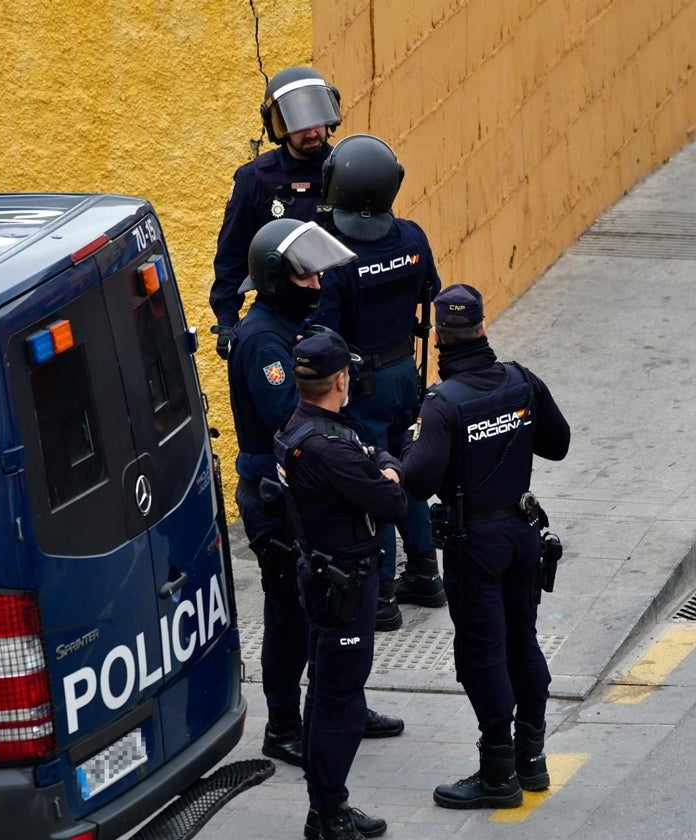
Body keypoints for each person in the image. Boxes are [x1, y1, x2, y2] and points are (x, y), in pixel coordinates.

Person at [227, 217, 404, 769]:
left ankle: (343, 702)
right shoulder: (262, 342)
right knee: (290, 615)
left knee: (332, 611)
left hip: (308, 493)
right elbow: (295, 423)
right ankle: (282, 725)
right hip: (277, 499)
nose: (317, 286)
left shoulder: (292, 329)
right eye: (304, 278)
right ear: (278, 279)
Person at [401, 283, 571, 809]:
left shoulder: (443, 404)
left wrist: (410, 443)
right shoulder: (522, 382)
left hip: (474, 546)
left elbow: (417, 481)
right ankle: (533, 760)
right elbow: (558, 444)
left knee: (483, 652)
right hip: (523, 536)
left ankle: (498, 773)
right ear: (482, 328)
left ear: (442, 339)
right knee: (523, 638)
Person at [274, 329, 407, 840]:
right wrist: (389, 471)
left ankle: (326, 806)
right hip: (343, 585)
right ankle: (328, 814)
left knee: (325, 693)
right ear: (340, 380)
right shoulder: (330, 449)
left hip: (325, 575)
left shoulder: (304, 428)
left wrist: (382, 466)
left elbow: (372, 454)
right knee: (339, 701)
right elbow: (392, 500)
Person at [311, 133, 446, 632]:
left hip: (360, 383)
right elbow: (429, 290)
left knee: (373, 482)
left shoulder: (334, 256)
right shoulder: (412, 238)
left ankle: (383, 595)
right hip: (402, 376)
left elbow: (324, 330)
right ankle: (426, 574)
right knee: (405, 472)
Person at [210, 66, 343, 359]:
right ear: (278, 126)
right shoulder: (255, 179)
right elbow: (232, 256)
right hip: (281, 318)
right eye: (299, 124)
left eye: (317, 121)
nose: (311, 132)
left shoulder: (348, 168)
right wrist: (227, 321)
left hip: (340, 312)